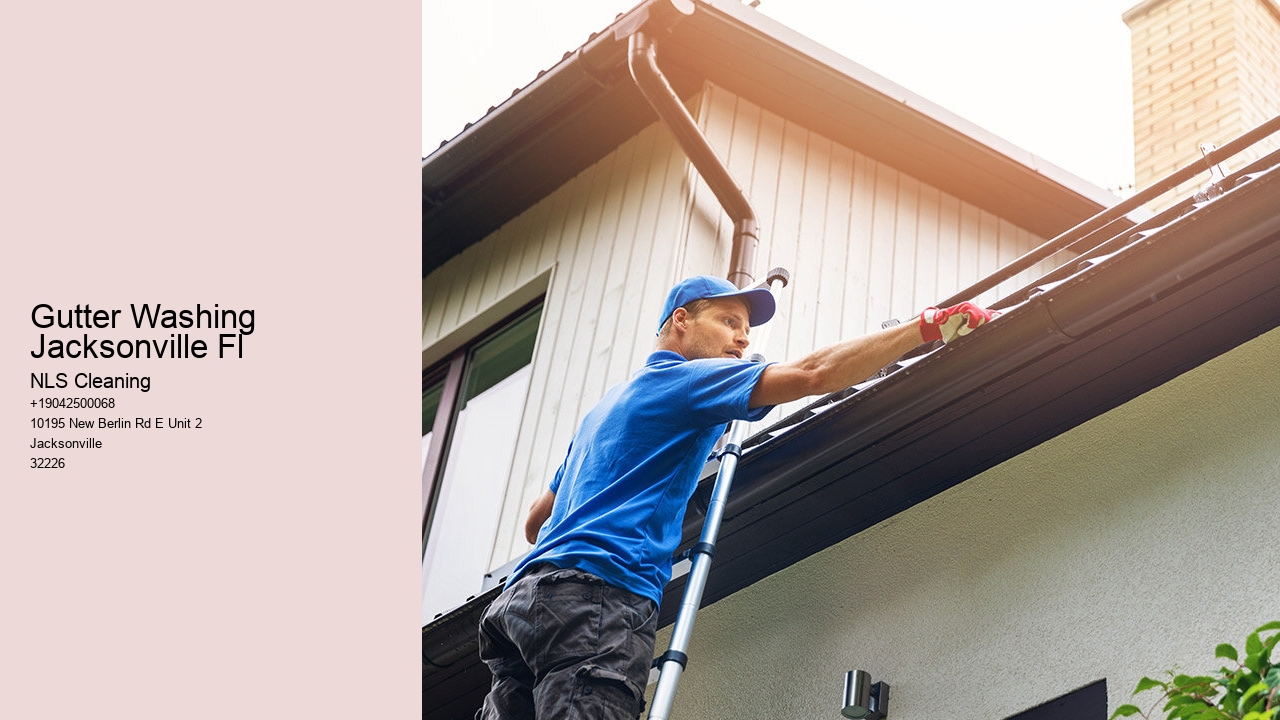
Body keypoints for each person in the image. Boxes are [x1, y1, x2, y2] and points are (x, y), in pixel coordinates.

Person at [476, 275, 993, 720]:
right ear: (681, 320)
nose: (742, 340)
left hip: (523, 606)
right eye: (728, 321)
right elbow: (814, 374)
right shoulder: (687, 381)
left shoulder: (603, 411)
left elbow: (536, 520)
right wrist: (925, 326)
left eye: (747, 331)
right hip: (598, 602)